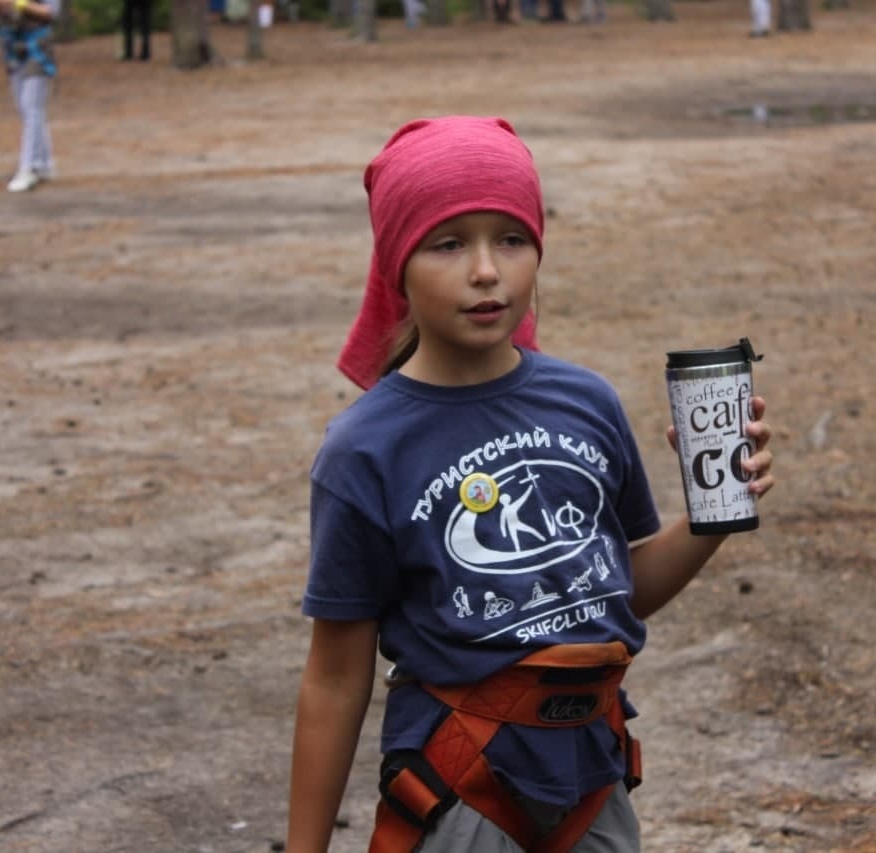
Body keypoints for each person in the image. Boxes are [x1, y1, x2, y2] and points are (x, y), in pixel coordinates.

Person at [286, 115, 775, 852]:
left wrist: (714, 511)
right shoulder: (366, 448)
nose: (487, 271)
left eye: (511, 239)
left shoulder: (586, 402)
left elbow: (619, 587)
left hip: (594, 782)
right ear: (396, 263)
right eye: (449, 243)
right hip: (461, 792)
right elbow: (333, 677)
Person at [0, 0, 59, 192]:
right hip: (12, 46)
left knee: (32, 107)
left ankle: (27, 168)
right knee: (25, 108)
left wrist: (20, 4)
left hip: (38, 48)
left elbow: (50, 13)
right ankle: (43, 163)